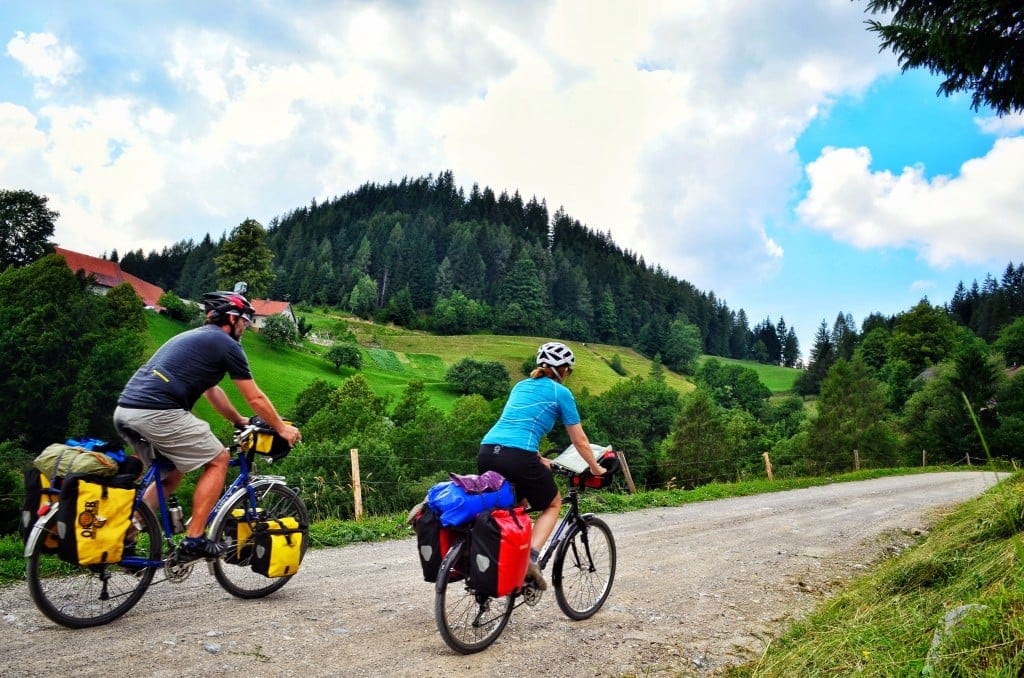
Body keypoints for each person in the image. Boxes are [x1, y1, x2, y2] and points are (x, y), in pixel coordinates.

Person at [113, 289, 301, 561]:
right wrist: (282, 428)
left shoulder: (195, 338)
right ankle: (194, 540)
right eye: (244, 321)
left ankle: (125, 536)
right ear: (231, 318)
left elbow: (212, 391)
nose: (246, 327)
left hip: (126, 411)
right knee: (219, 459)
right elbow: (255, 397)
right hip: (158, 412)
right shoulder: (227, 345)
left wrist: (238, 420)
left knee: (172, 474)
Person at [478, 341, 605, 590]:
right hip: (518, 456)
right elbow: (579, 440)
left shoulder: (520, 386)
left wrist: (537, 458)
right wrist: (595, 467)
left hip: (487, 451)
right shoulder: (561, 393)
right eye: (569, 370)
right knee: (553, 503)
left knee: (516, 507)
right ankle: (530, 560)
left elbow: (516, 425)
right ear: (564, 370)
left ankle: (504, 557)